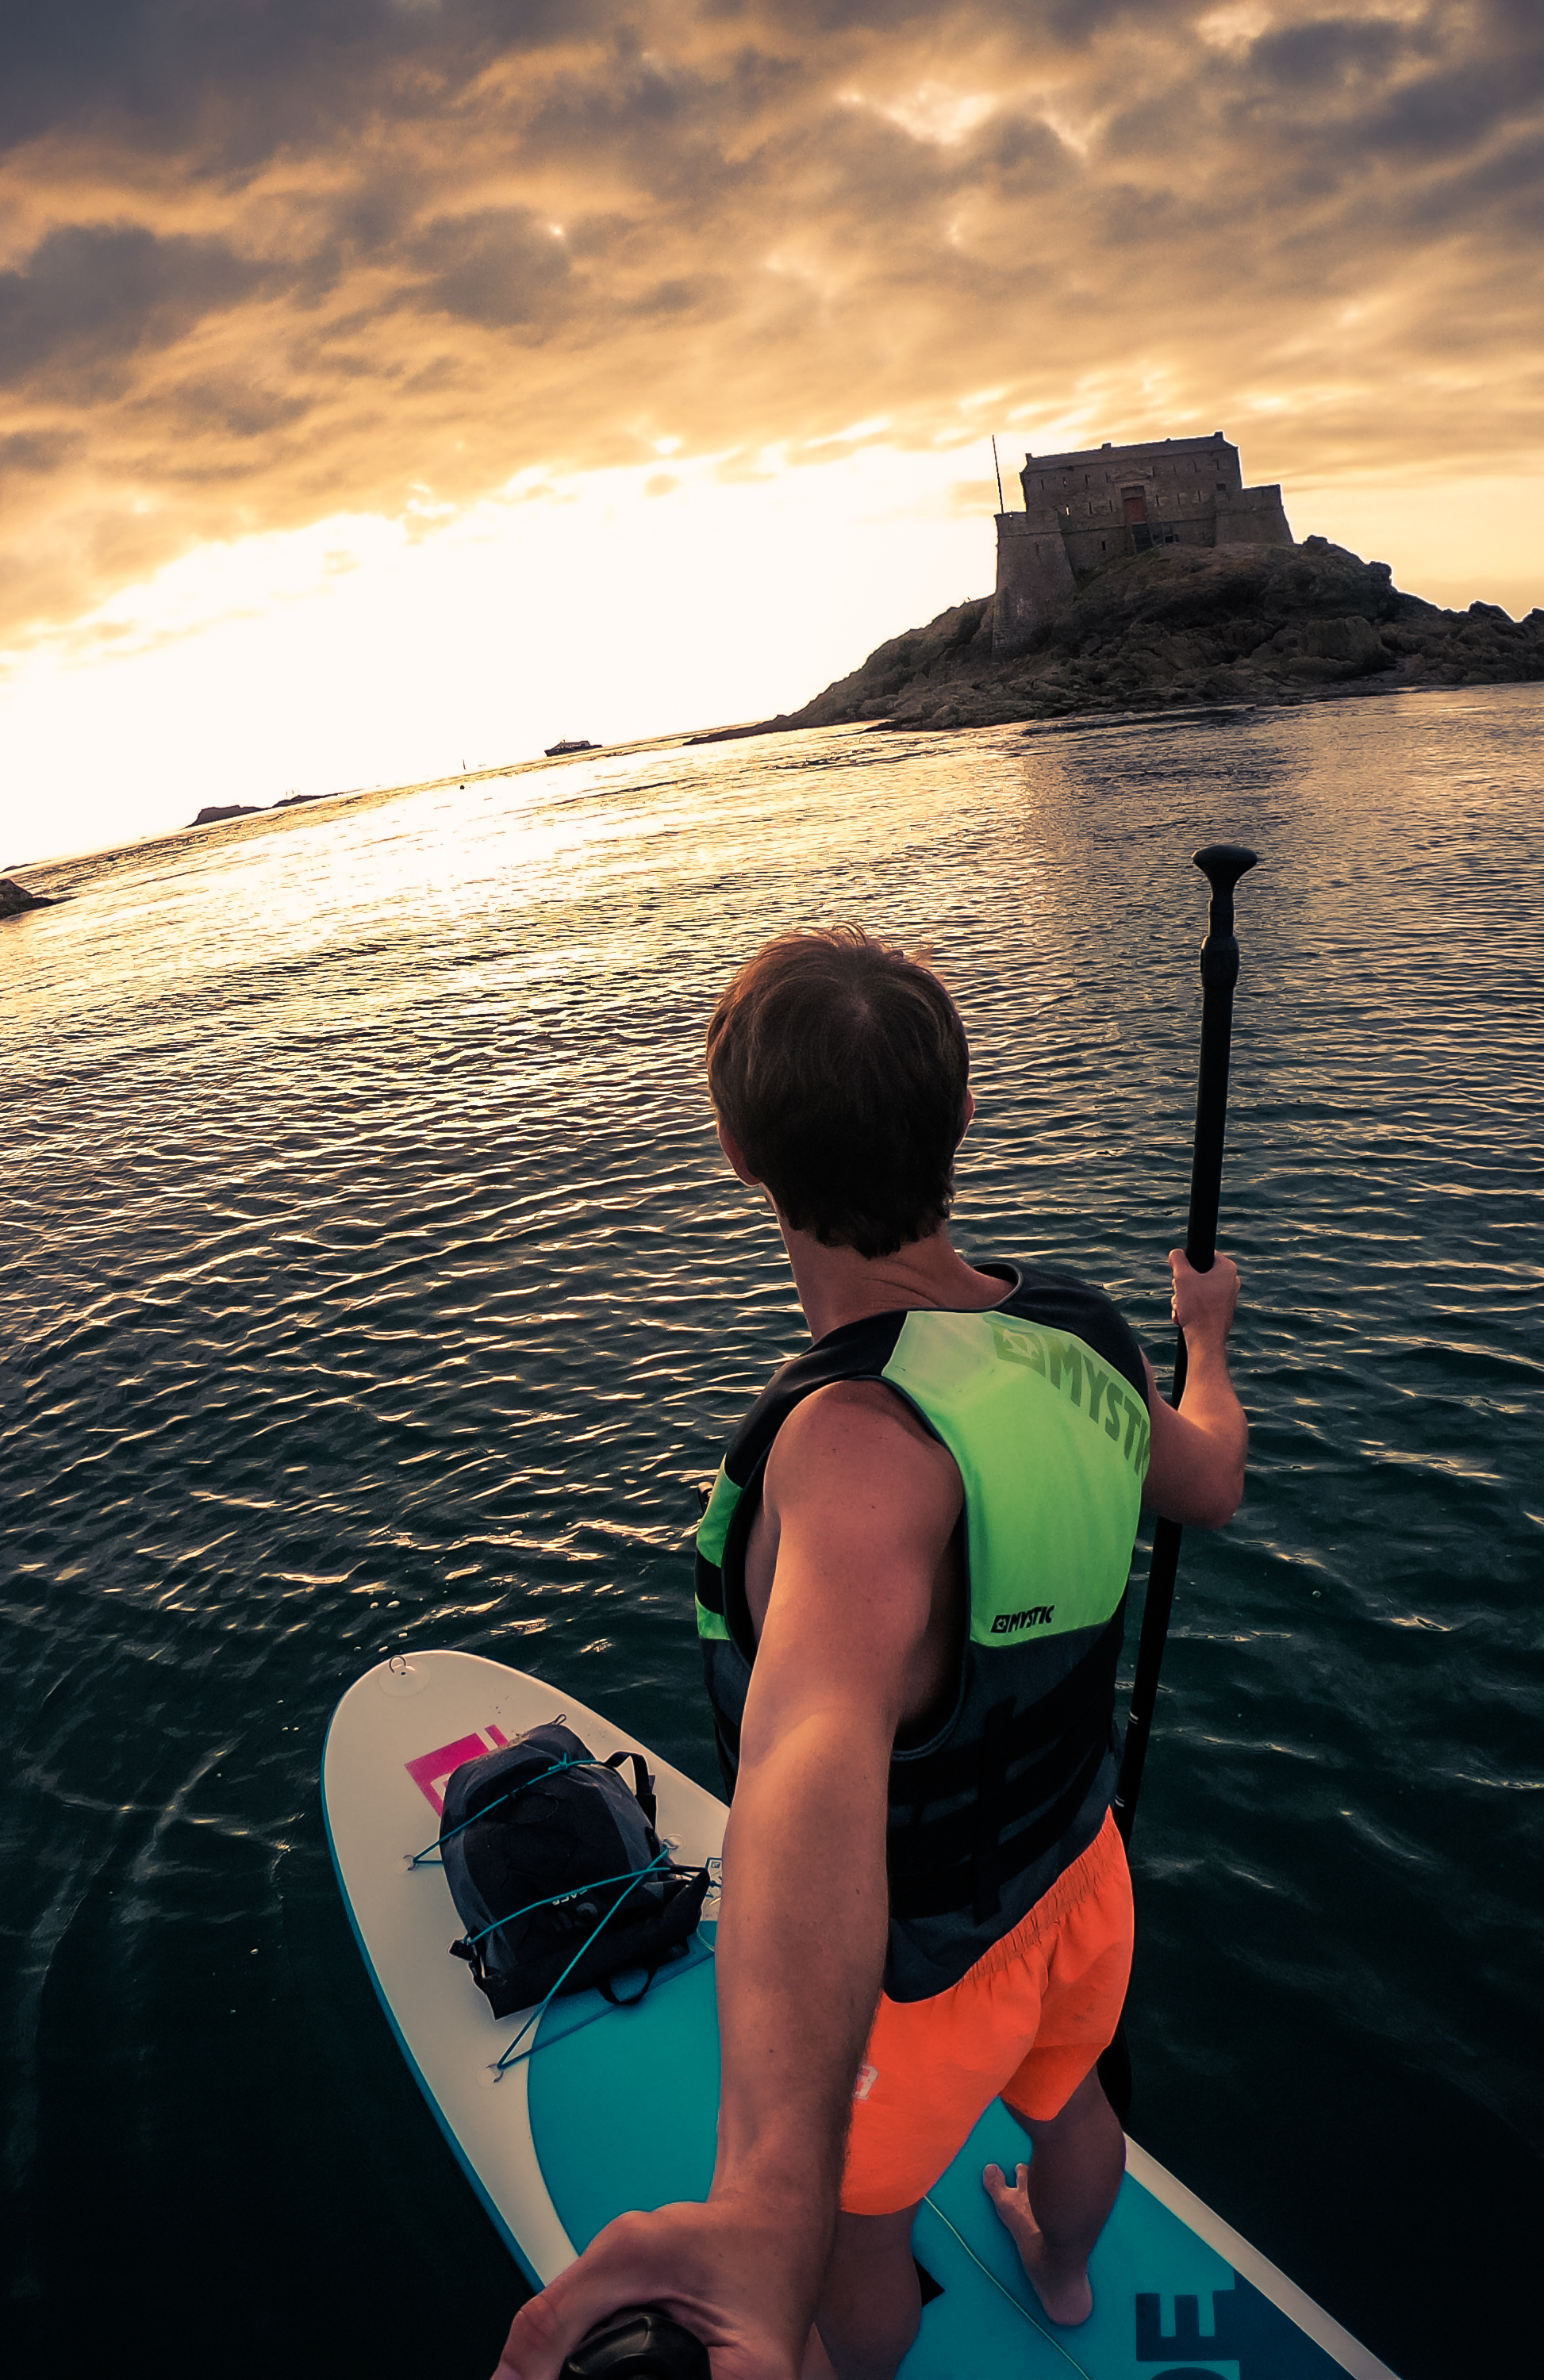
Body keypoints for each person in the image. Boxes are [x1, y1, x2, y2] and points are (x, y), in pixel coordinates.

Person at [493, 927, 1248, 2380]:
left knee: (861, 2231)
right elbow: (1207, 1481)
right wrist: (1204, 1342)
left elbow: (807, 1762)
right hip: (1083, 1879)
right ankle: (1066, 2268)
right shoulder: (1087, 1340)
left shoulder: (849, 1454)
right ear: (961, 1117)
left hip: (922, 1971)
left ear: (737, 1153)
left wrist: (770, 2209)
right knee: (1076, 2100)